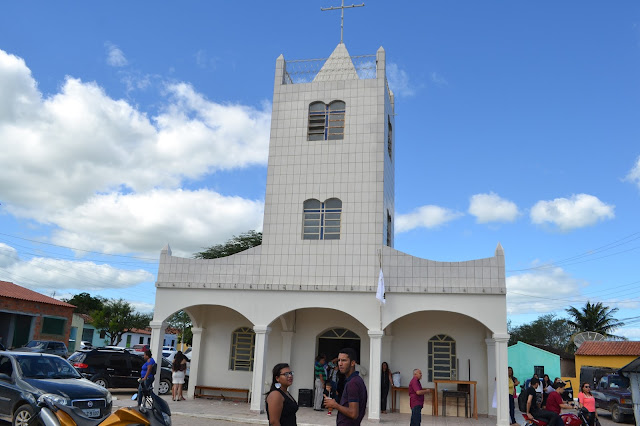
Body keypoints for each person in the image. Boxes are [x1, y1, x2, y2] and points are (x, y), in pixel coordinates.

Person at [323, 347, 367, 426]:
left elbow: (353, 414)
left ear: (352, 363)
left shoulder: (353, 383)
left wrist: (335, 405)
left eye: (344, 360)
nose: (340, 364)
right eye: (339, 360)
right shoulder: (355, 380)